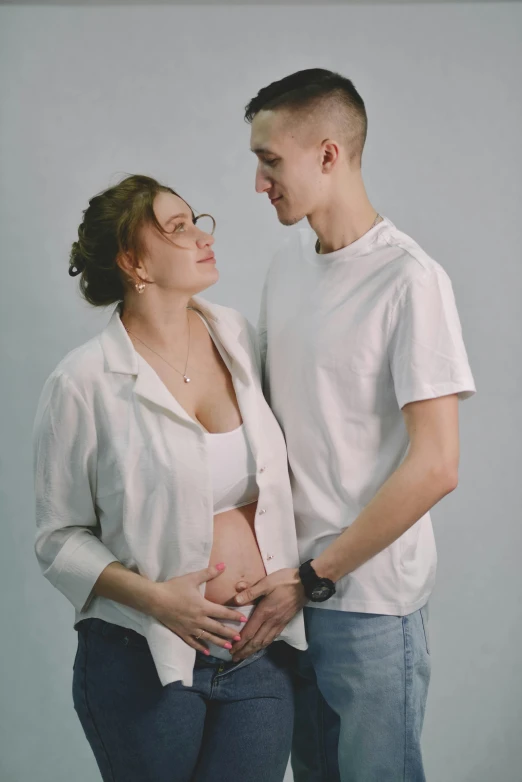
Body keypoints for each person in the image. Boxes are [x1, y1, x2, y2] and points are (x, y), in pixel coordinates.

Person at [229, 69, 476, 781]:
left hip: (366, 603)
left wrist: (315, 575)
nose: (258, 182)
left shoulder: (409, 280)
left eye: (270, 160)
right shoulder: (285, 267)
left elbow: (436, 465)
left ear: (329, 154)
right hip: (288, 603)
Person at [32, 174, 307, 782]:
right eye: (177, 228)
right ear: (134, 262)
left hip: (255, 651)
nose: (201, 236)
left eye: (195, 220)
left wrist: (293, 571)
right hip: (143, 658)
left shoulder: (235, 335)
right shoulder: (83, 381)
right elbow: (57, 537)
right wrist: (158, 600)